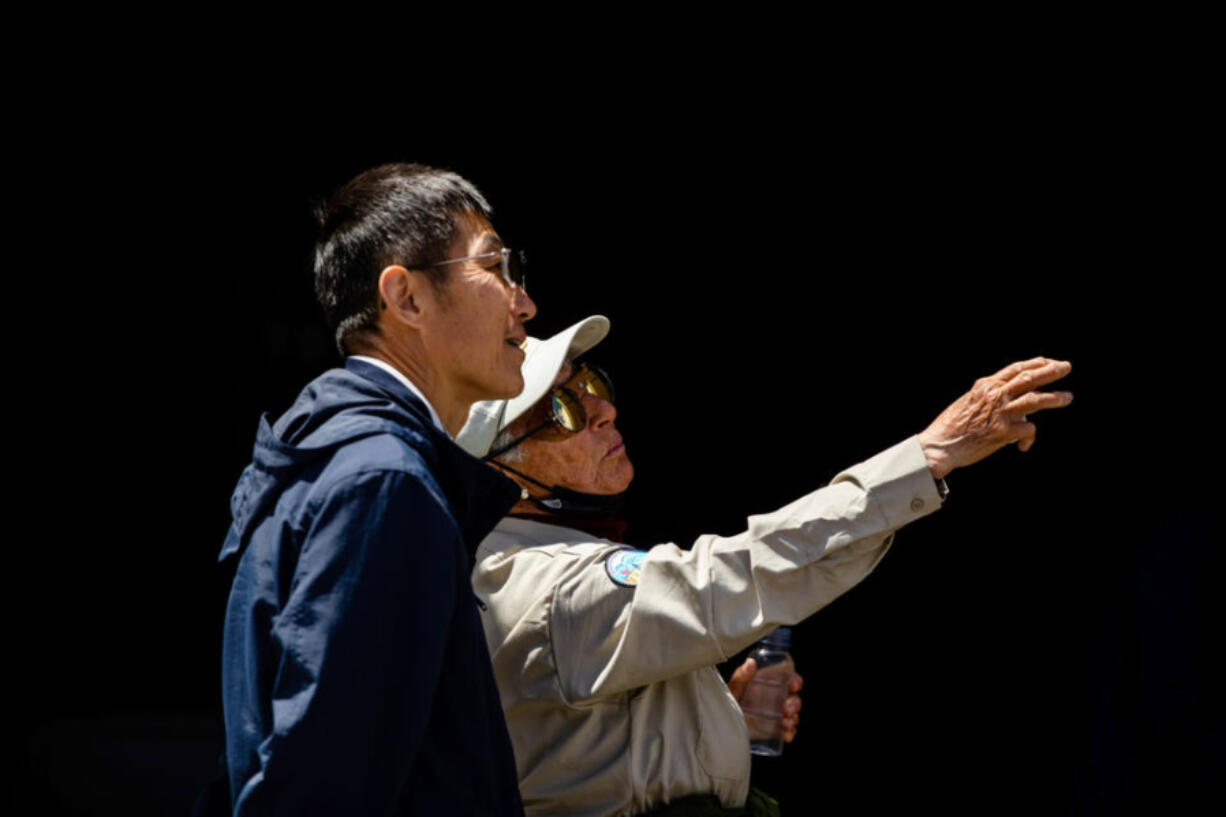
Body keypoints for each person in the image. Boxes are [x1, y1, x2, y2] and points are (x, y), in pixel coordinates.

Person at [456, 316, 1073, 817]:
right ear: (500, 470)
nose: (600, 410)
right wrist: (930, 456)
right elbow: (734, 575)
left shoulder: (538, 559)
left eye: (589, 382)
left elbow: (587, 753)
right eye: (561, 408)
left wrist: (706, 719)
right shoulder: (538, 585)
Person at [218, 163, 537, 816]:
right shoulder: (383, 482)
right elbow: (323, 787)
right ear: (407, 297)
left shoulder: (340, 462)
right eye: (496, 267)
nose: (524, 301)